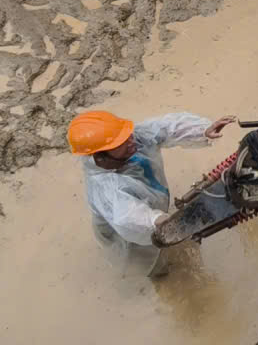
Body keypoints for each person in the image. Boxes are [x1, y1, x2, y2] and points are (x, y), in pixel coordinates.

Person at [67, 110, 234, 276]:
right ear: (100, 158)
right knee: (150, 264)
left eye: (126, 135)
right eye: (121, 143)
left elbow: (165, 128)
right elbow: (128, 217)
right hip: (127, 238)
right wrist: (157, 220)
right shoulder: (105, 187)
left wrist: (202, 130)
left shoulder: (130, 141)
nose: (131, 140)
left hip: (151, 211)